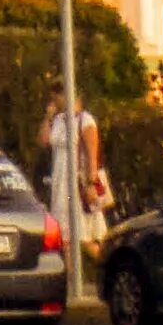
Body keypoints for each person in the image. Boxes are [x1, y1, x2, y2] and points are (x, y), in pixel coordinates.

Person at [42, 90, 109, 259]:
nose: (56, 100)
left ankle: (109, 268)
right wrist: (48, 117)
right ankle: (70, 282)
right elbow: (43, 141)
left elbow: (92, 155)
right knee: (65, 239)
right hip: (60, 185)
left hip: (78, 185)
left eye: (59, 95)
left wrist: (91, 184)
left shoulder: (85, 120)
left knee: (84, 238)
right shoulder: (58, 120)